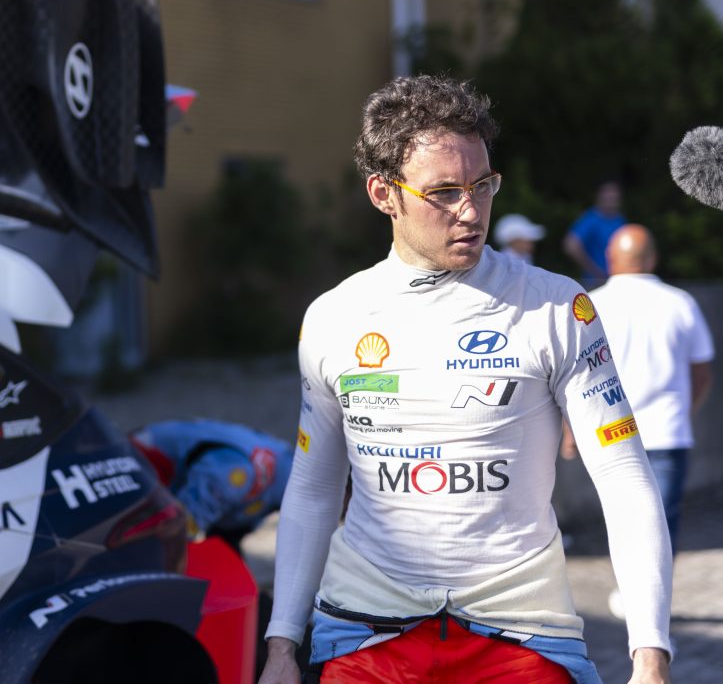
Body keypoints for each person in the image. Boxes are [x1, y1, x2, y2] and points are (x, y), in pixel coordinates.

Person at [259, 75, 671, 684]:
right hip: (365, 629)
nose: (471, 211)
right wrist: (281, 647)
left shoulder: (558, 306)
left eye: (482, 185)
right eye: (444, 192)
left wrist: (650, 655)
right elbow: (314, 487)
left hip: (521, 629)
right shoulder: (333, 316)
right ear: (383, 193)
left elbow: (624, 479)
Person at [588, 225, 714, 552]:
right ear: (653, 258)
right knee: (661, 527)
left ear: (610, 258)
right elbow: (702, 373)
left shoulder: (591, 306)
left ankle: (627, 582)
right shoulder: (680, 303)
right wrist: (683, 412)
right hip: (667, 430)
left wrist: (571, 432)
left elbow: (577, 376)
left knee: (622, 524)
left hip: (611, 431)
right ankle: (657, 585)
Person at [130, 418, 293, 549]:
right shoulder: (235, 478)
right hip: (139, 458)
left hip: (185, 468)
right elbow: (178, 531)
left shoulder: (287, 463)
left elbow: (227, 535)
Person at [563, 180, 625, 285]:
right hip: (595, 283)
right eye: (607, 196)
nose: (611, 199)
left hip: (617, 281)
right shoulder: (591, 219)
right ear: (599, 196)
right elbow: (571, 245)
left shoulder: (620, 219)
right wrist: (595, 272)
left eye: (614, 196)